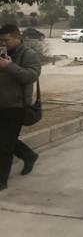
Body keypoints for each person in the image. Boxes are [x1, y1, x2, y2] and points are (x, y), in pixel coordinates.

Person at [0, 24, 41, 191]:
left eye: (6, 40)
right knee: (5, 140)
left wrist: (9, 66)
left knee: (4, 144)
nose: (3, 43)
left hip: (16, 106)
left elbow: (31, 76)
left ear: (18, 37)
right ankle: (28, 155)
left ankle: (2, 180)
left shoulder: (28, 54)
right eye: (0, 40)